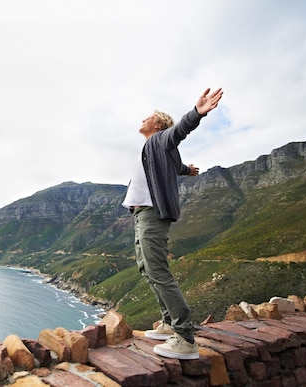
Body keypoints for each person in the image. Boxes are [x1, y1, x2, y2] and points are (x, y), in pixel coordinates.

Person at [121, 87, 224, 360]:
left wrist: (197, 113)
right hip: (141, 214)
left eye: (149, 117)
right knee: (147, 268)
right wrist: (187, 170)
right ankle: (168, 323)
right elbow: (174, 165)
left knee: (158, 271)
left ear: (158, 124)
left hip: (152, 214)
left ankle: (185, 337)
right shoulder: (155, 149)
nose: (143, 119)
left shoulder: (161, 139)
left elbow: (180, 131)